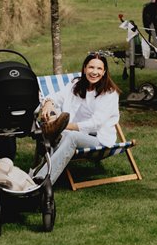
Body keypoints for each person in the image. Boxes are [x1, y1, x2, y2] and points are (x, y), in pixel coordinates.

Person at [31, 53, 121, 185]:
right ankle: (38, 175)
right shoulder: (76, 85)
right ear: (84, 69)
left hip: (98, 140)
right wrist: (48, 103)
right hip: (69, 133)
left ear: (104, 71)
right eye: (91, 67)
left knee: (66, 136)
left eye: (99, 69)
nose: (94, 72)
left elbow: (95, 124)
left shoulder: (109, 93)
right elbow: (56, 97)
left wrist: (63, 126)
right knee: (61, 134)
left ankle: (41, 181)